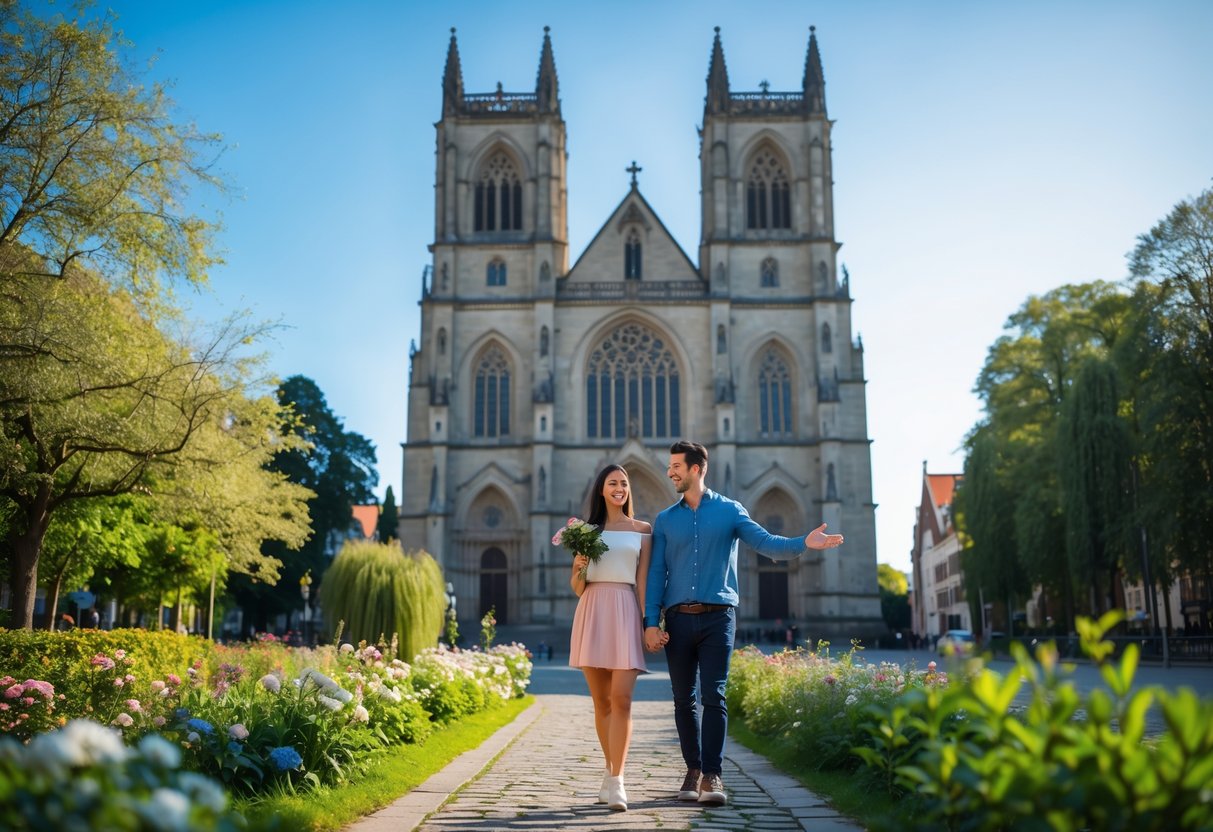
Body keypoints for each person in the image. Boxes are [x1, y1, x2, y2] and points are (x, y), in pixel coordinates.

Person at [643, 440, 844, 806]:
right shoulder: (665, 520)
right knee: (682, 700)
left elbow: (766, 543)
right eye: (669, 466)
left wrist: (804, 542)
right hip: (677, 619)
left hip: (719, 617)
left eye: (675, 466)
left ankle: (712, 775)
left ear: (697, 469)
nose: (669, 471)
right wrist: (649, 621)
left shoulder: (731, 511)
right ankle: (692, 770)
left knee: (714, 696)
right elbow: (657, 573)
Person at [568, 463, 652, 812]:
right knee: (601, 703)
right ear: (601, 489)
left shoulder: (644, 529)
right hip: (593, 608)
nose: (619, 488)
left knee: (622, 699)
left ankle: (617, 780)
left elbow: (643, 581)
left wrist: (650, 623)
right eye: (612, 483)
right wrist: (581, 565)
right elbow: (577, 587)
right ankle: (609, 769)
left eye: (624, 483)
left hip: (625, 609)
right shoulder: (585, 531)